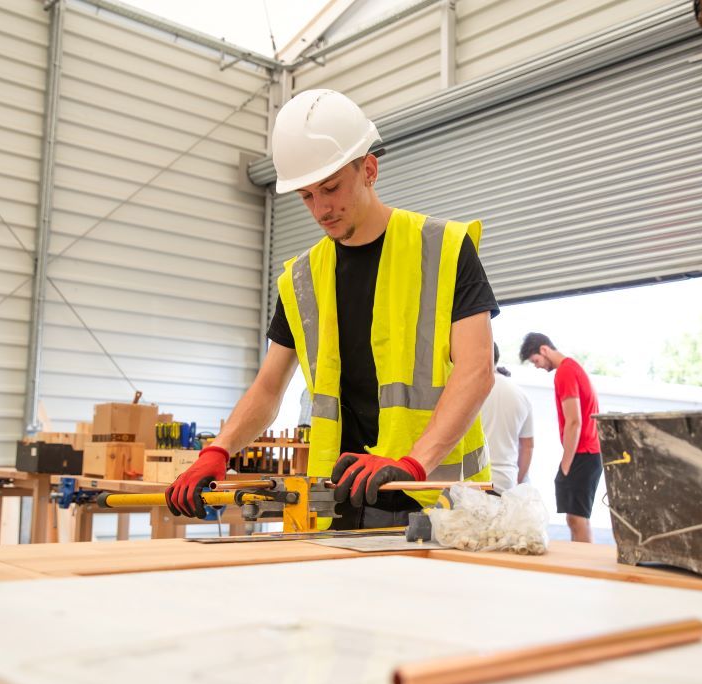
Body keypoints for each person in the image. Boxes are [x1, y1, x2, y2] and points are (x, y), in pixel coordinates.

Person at [166, 89, 499, 528]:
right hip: (338, 503)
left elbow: (477, 369)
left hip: (438, 502)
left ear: (369, 169)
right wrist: (217, 450)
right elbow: (269, 387)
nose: (321, 208)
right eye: (306, 196)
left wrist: (413, 464)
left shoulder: (444, 248)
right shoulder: (303, 278)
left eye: (331, 188)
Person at [519, 332, 602, 542]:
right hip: (587, 452)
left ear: (544, 350)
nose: (537, 366)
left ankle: (583, 570)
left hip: (584, 453)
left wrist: (566, 464)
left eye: (536, 360)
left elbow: (574, 421)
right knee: (576, 518)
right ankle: (583, 567)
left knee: (576, 519)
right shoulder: (572, 367)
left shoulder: (565, 372)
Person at [480, 343, 534, 493]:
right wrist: (519, 480)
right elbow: (528, 446)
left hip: (473, 483)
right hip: (506, 482)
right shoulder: (521, 395)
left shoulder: (470, 390)